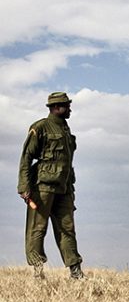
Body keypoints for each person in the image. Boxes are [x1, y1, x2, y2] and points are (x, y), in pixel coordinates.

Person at [17, 92, 84, 279]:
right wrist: (24, 186)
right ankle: (38, 273)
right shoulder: (40, 127)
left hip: (64, 189)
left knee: (67, 229)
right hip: (42, 187)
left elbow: (66, 164)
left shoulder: (66, 130)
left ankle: (76, 272)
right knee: (38, 228)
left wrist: (70, 189)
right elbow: (26, 158)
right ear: (55, 108)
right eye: (66, 105)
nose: (69, 108)